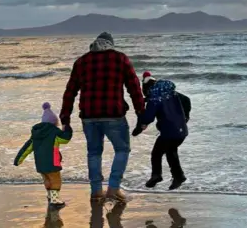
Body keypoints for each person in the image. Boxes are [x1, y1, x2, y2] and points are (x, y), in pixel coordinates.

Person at [60, 32, 145, 203]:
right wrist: (141, 114)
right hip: (114, 115)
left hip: (89, 116)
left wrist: (65, 119)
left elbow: (70, 92)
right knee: (121, 150)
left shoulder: (81, 62)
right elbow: (134, 87)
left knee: (94, 153)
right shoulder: (120, 59)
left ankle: (96, 192)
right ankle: (114, 188)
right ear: (111, 44)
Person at [133, 71, 191, 190]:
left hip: (168, 133)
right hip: (181, 131)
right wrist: (185, 116)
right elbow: (187, 100)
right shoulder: (173, 93)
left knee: (156, 153)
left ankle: (157, 175)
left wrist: (140, 118)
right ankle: (179, 176)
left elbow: (148, 117)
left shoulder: (155, 98)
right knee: (171, 152)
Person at [14, 102, 73, 209]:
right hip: (52, 162)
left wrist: (18, 160)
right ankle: (55, 200)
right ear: (54, 123)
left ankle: (50, 196)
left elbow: (26, 148)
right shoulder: (54, 132)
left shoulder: (35, 135)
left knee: (47, 179)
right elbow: (65, 139)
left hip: (40, 164)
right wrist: (67, 128)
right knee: (55, 180)